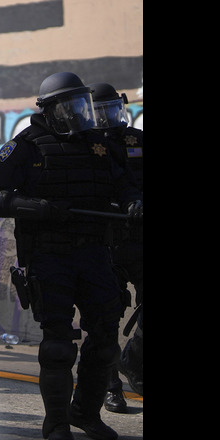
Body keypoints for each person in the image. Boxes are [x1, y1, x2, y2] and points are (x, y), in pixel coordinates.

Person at [0, 71, 143, 440]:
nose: (78, 112)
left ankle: (85, 412)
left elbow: (125, 184)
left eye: (81, 104)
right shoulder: (26, 146)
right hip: (49, 255)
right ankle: (56, 424)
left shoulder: (99, 144)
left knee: (105, 336)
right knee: (57, 344)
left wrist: (134, 201)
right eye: (69, 105)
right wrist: (40, 208)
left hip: (95, 253)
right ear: (50, 109)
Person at [87, 82, 144, 412]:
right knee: (105, 318)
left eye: (111, 110)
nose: (107, 119)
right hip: (104, 242)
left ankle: (132, 360)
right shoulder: (85, 145)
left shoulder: (137, 140)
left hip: (139, 238)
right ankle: (111, 387)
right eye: (99, 113)